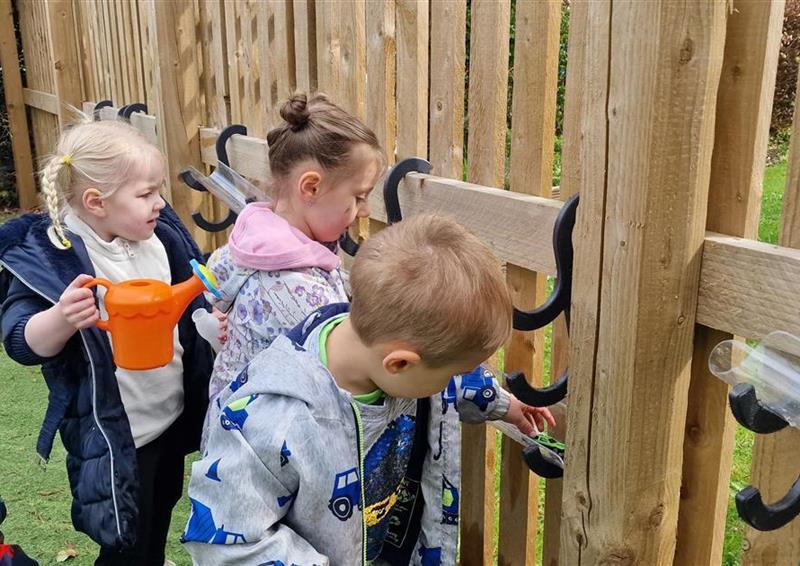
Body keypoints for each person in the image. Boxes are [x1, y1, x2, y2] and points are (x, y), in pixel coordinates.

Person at [183, 214, 555, 565]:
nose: (452, 381)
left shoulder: (381, 344)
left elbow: (451, 382)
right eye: (452, 372)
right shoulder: (272, 421)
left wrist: (503, 405)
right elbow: (229, 542)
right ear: (400, 363)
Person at [0, 116, 214, 565]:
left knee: (158, 515)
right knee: (125, 539)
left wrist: (213, 322)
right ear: (96, 202)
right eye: (145, 194)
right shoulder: (55, 258)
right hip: (116, 435)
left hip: (168, 414)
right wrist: (60, 318)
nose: (160, 203)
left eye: (158, 190)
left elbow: (190, 301)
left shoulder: (157, 238)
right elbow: (20, 340)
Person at [205, 92, 386, 404]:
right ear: (311, 187)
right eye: (359, 196)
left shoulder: (252, 244)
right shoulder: (298, 289)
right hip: (270, 442)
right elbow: (359, 368)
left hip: (229, 424)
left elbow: (213, 282)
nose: (366, 211)